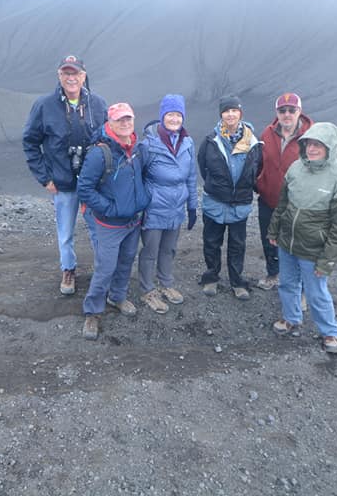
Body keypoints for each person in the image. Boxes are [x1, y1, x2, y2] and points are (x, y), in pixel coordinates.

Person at [267, 122, 337, 354]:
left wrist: (328, 260)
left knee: (316, 291)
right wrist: (274, 231)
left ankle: (330, 332)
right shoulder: (296, 169)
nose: (312, 149)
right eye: (309, 144)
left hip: (314, 248)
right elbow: (283, 205)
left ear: (330, 147)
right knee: (287, 283)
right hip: (288, 241)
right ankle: (291, 318)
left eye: (318, 145)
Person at [22, 55, 107, 296]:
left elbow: (109, 137)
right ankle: (68, 269)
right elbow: (30, 142)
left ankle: (104, 269)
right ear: (59, 76)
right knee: (65, 231)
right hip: (62, 183)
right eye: (66, 73)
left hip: (93, 183)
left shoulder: (98, 105)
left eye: (76, 73)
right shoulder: (44, 105)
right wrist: (45, 177)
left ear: (83, 76)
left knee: (98, 229)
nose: (71, 78)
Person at [78, 103, 151, 340]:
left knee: (126, 261)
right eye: (120, 120)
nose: (125, 123)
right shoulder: (100, 153)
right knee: (105, 267)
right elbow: (85, 188)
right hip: (109, 224)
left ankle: (117, 297)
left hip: (132, 221)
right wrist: (109, 208)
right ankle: (93, 312)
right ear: (110, 122)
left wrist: (144, 199)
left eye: (128, 119)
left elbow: (145, 176)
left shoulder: (138, 148)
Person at [136, 94, 198, 314]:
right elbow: (138, 178)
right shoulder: (149, 144)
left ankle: (166, 284)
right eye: (170, 114)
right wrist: (140, 207)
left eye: (178, 115)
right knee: (150, 251)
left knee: (169, 249)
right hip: (154, 208)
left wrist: (192, 205)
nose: (174, 119)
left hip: (176, 208)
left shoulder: (188, 142)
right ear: (162, 116)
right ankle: (147, 290)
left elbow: (191, 176)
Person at [197, 95, 263, 300]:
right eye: (226, 111)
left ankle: (237, 281)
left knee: (237, 244)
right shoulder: (211, 141)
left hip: (240, 204)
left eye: (234, 110)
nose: (230, 114)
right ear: (221, 114)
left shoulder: (253, 142)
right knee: (211, 242)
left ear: (240, 113)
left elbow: (258, 168)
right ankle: (211, 278)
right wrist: (217, 186)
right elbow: (203, 167)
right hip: (215, 202)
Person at [255, 93, 314, 295]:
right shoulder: (267, 134)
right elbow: (259, 163)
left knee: (298, 247)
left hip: (297, 205)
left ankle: (302, 290)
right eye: (282, 110)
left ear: (299, 111)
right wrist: (259, 183)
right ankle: (273, 274)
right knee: (268, 240)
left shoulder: (311, 137)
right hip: (269, 200)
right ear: (277, 113)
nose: (287, 114)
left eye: (291, 110)